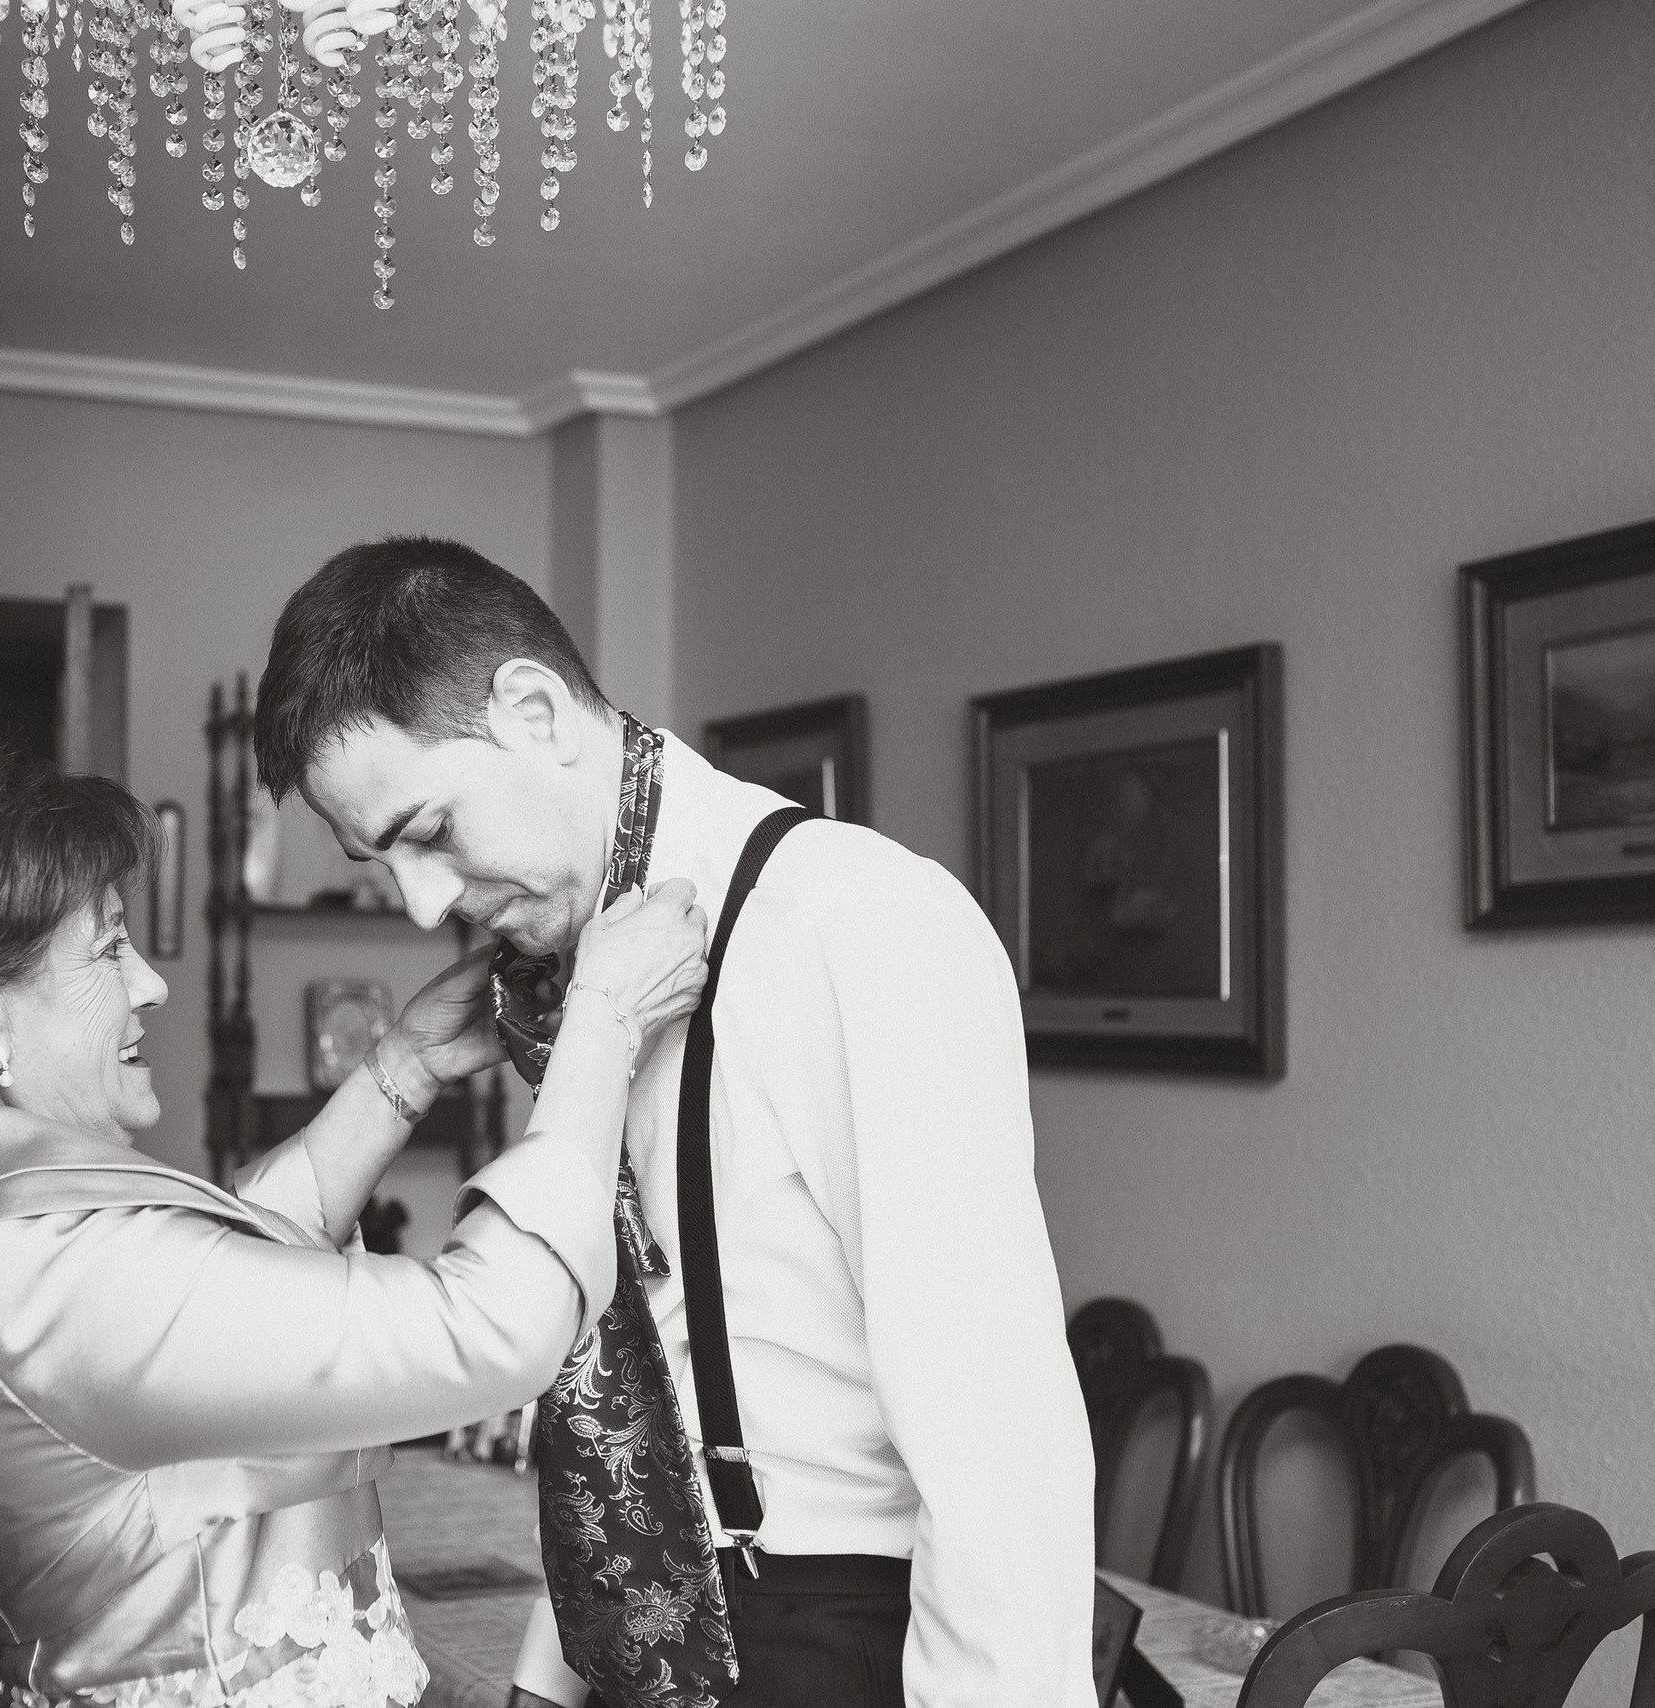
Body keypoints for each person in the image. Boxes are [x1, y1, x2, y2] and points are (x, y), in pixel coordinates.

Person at [253, 537, 1097, 1708]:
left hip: (832, 1638)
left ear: (536, 710)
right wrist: (548, 1679)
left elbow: (994, 1424)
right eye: (378, 860)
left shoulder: (851, 920)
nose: (422, 903)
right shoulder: (578, 986)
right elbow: (644, 1361)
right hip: (648, 1640)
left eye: (428, 830)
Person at [0, 749, 709, 1708]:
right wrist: (603, 1021)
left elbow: (225, 1266)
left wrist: (405, 1066)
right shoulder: (38, 1273)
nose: (149, 985)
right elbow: (489, 1327)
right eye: (106, 948)